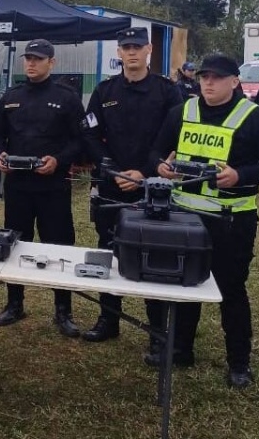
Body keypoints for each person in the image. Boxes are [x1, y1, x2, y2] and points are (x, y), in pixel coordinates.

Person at [150, 54, 259, 389]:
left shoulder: (256, 118)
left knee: (230, 290)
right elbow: (155, 151)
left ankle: (239, 363)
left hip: (231, 221)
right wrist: (161, 165)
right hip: (185, 217)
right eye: (204, 77)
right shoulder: (182, 112)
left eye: (217, 78)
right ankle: (180, 349)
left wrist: (241, 174)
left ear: (234, 82)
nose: (208, 83)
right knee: (185, 285)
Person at [80, 27, 183, 343]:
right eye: (126, 47)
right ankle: (108, 320)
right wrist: (111, 170)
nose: (132, 52)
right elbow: (90, 134)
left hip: (154, 185)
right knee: (109, 252)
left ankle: (156, 331)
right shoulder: (105, 91)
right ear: (118, 52)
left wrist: (143, 171)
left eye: (137, 46)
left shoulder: (167, 92)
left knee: (156, 254)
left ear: (149, 49)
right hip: (113, 184)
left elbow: (176, 137)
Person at [0, 39, 85, 338]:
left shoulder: (67, 98)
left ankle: (63, 311)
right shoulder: (11, 96)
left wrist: (59, 160)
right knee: (15, 244)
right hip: (18, 188)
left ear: (51, 63)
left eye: (38, 59)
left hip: (52, 187)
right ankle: (15, 303)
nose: (31, 63)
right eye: (28, 58)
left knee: (59, 247)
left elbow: (80, 141)